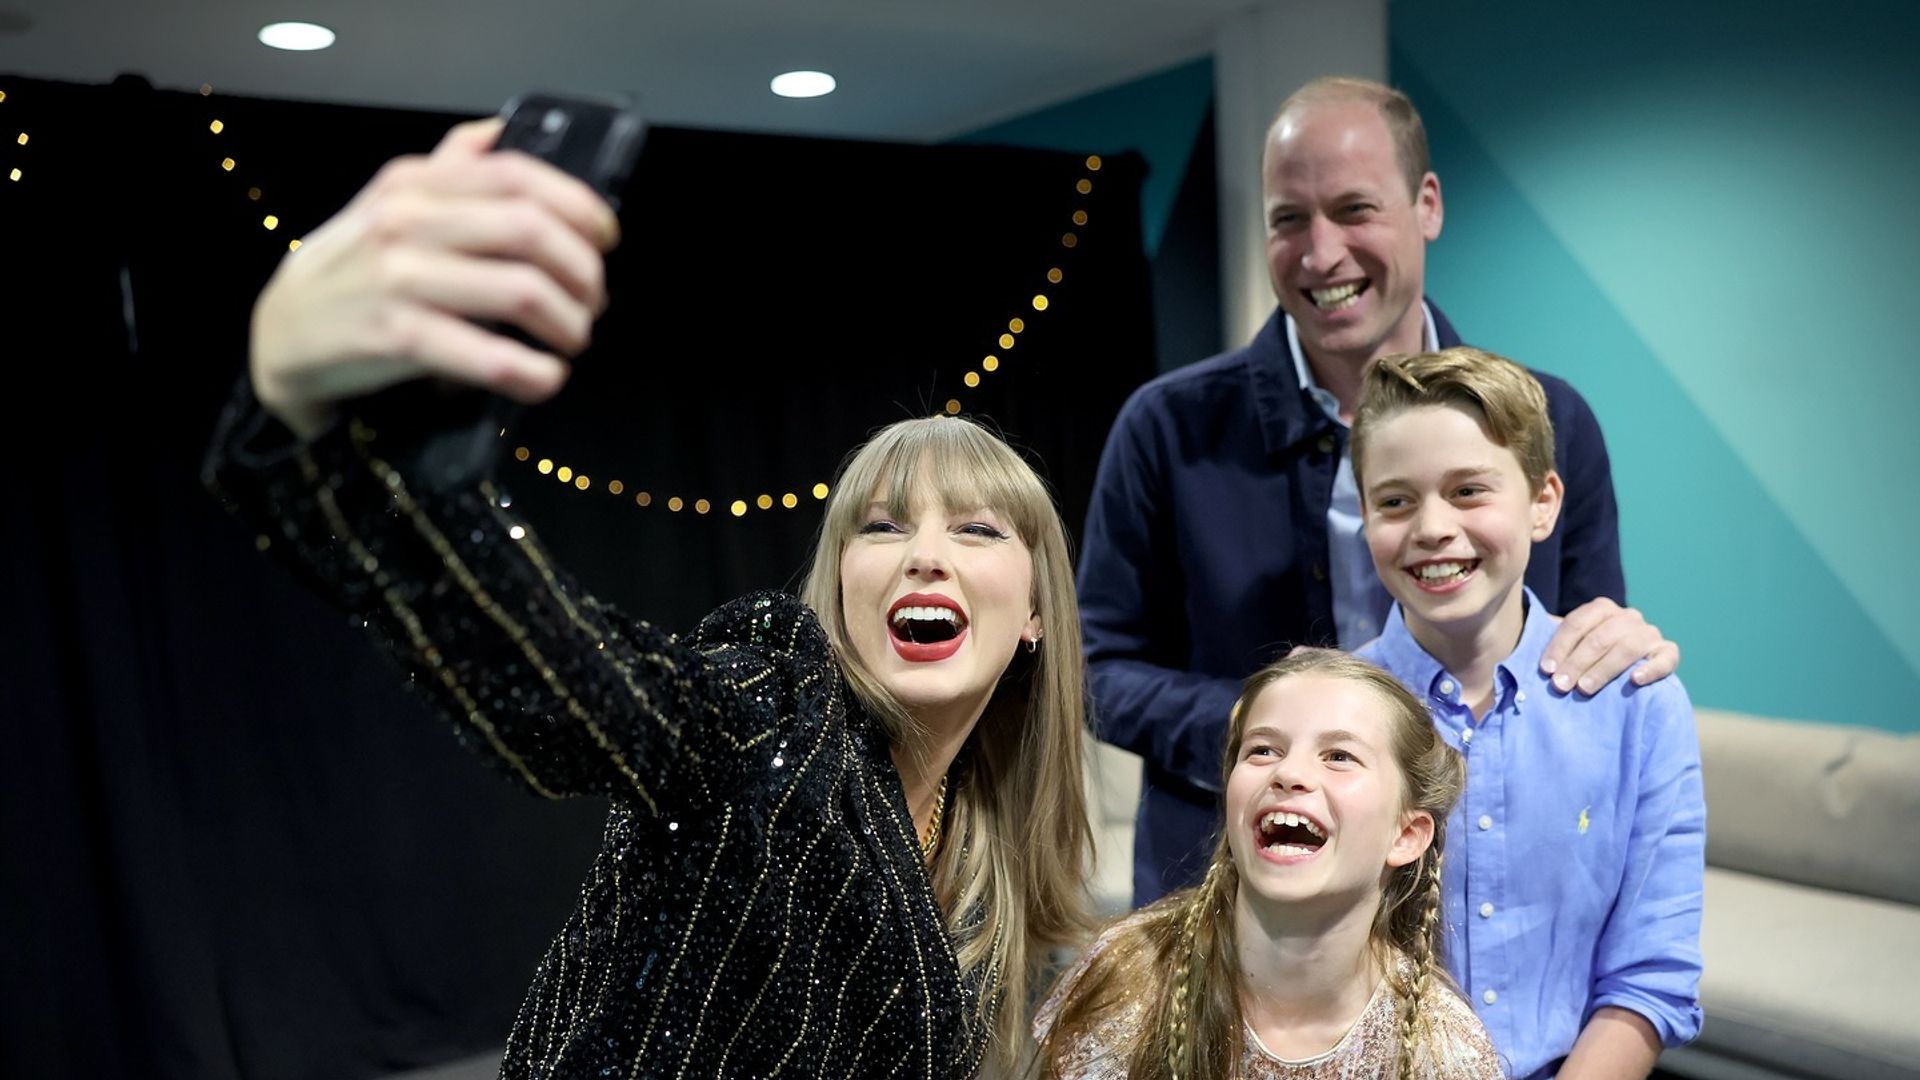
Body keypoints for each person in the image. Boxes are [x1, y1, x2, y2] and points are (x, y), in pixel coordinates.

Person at [203, 118, 1094, 1078]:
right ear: (838, 583)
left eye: (976, 530)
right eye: (881, 527)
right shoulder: (768, 713)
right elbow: (562, 682)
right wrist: (310, 423)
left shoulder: (982, 848)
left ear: (1037, 610)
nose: (924, 556)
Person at [1076, 75, 1682, 903]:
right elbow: (1094, 668)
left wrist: (1621, 644)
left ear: (1426, 204)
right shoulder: (1165, 428)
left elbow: (1581, 647)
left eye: (1354, 210)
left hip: (1487, 891)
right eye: (1289, 220)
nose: (1321, 254)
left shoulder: (1554, 421)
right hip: (1227, 891)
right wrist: (1265, 728)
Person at [1351, 347, 1704, 1079]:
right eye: (1395, 500)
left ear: (1543, 503)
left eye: (1469, 490)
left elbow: (1650, 975)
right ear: (1364, 515)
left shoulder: (1638, 707)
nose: (1432, 527)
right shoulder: (1329, 712)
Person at [1034, 649, 1501, 1079]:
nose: (1289, 774)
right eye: (1263, 750)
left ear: (1406, 835)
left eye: (1339, 756)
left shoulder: (1441, 1049)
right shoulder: (1127, 980)